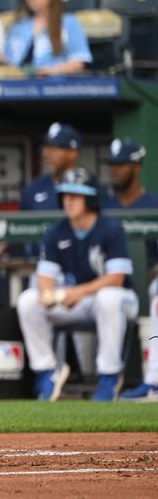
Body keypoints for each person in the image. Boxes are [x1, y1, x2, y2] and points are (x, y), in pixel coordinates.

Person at [16, 168, 139, 401]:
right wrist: (47, 294)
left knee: (108, 297)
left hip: (118, 301)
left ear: (90, 199)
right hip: (77, 302)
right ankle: (47, 372)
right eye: (65, 195)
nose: (68, 201)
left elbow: (117, 278)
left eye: (76, 196)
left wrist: (77, 292)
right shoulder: (57, 231)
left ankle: (109, 376)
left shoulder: (110, 228)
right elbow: (45, 276)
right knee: (28, 301)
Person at [102, 138, 158, 401]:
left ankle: (152, 381)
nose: (114, 170)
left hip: (148, 282)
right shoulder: (103, 207)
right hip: (110, 285)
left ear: (136, 168)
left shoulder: (153, 203)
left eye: (121, 165)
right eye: (112, 164)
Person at [3, 0, 92, 77]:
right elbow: (5, 61)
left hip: (55, 86)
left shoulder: (69, 23)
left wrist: (50, 71)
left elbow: (78, 62)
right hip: (18, 85)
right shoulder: (17, 25)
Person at [20, 123, 81, 211]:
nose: (46, 153)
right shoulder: (32, 190)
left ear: (73, 153)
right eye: (45, 146)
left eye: (54, 147)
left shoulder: (91, 189)